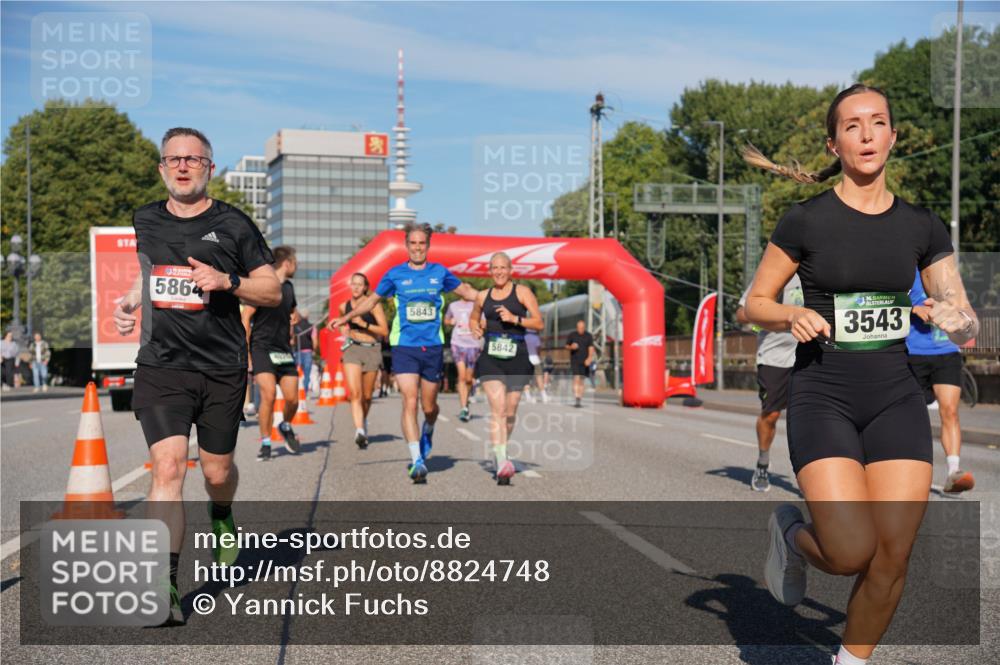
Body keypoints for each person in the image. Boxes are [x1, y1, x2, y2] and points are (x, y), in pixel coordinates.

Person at [742, 84, 979, 665]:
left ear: (893, 136)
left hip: (895, 395)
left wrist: (955, 317)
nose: (867, 134)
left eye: (878, 123)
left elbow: (964, 316)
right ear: (835, 142)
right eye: (853, 125)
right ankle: (789, 531)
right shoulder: (806, 220)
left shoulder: (923, 226)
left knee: (892, 556)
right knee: (850, 550)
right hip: (824, 394)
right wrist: (793, 312)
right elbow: (754, 303)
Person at [113, 127, 281, 626]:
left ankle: (223, 512)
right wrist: (130, 299)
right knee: (166, 470)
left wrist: (227, 281)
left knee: (215, 473)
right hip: (161, 365)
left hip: (222, 367)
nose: (183, 166)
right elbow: (151, 272)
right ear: (162, 168)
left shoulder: (234, 224)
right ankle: (164, 586)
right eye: (174, 159)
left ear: (209, 168)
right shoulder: (144, 218)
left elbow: (271, 290)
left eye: (194, 159)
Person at [329, 222, 478, 483]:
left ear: (428, 246)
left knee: (428, 406)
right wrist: (347, 317)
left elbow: (466, 291)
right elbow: (371, 301)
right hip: (404, 346)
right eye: (413, 243)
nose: (418, 247)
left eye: (422, 243)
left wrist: (494, 297)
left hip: (431, 346)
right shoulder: (394, 275)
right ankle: (416, 459)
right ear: (407, 246)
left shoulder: (439, 273)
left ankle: (429, 428)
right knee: (409, 400)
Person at [469, 252, 544, 485]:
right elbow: (474, 318)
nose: (499, 272)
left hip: (517, 356)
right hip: (491, 356)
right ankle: (501, 460)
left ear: (510, 270)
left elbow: (539, 323)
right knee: (498, 408)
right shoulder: (482, 296)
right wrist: (475, 328)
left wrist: (515, 319)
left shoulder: (522, 293)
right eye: (494, 268)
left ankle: (502, 448)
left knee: (510, 412)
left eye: (503, 267)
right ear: (490, 271)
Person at [906, 268, 974, 493]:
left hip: (946, 351)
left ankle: (953, 471)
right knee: (912, 416)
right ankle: (911, 472)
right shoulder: (904, 265)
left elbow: (963, 309)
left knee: (950, 411)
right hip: (912, 352)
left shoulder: (947, 273)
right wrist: (912, 308)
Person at [736, 274, 803, 492]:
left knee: (810, 417)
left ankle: (810, 476)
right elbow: (741, 313)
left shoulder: (819, 269)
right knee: (771, 414)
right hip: (774, 357)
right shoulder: (774, 273)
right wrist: (777, 313)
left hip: (808, 354)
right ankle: (763, 463)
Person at [242, 245, 301, 462]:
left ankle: (285, 425)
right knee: (268, 395)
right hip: (261, 347)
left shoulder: (289, 288)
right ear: (287, 263)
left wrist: (294, 318)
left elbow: (292, 310)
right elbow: (246, 317)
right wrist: (246, 351)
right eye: (295, 262)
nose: (297, 266)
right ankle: (266, 443)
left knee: (293, 399)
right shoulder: (262, 287)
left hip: (283, 350)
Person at [338, 273, 389, 448]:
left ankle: (363, 421)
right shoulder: (343, 306)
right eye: (354, 284)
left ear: (366, 287)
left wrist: (363, 324)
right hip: (352, 349)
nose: (356, 287)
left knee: (367, 396)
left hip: (371, 349)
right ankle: (359, 430)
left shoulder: (373, 305)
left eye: (360, 285)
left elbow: (384, 331)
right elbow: (342, 324)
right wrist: (343, 331)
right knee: (355, 394)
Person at [444, 296, 482, 421]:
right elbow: (446, 320)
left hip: (473, 344)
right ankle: (464, 408)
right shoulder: (453, 305)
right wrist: (450, 322)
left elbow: (483, 322)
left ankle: (468, 395)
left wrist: (480, 328)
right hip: (457, 343)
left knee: (468, 379)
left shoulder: (476, 305)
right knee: (461, 376)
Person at [565, 320, 594, 408]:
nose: (580, 329)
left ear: (584, 327)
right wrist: (571, 347)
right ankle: (576, 397)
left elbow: (591, 348)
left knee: (582, 381)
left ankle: (579, 398)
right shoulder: (572, 335)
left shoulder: (588, 336)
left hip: (584, 362)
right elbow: (566, 346)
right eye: (578, 328)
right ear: (576, 327)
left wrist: (589, 358)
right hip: (575, 361)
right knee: (576, 378)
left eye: (581, 328)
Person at [294, 307, 318, 397]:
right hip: (308, 351)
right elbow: (314, 340)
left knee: (297, 372)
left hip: (297, 351)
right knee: (307, 372)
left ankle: (296, 391)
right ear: (308, 316)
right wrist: (314, 350)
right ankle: (304, 392)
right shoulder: (312, 327)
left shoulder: (295, 326)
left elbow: (291, 340)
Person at [522, 329, 543, 403]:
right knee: (539, 376)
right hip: (535, 358)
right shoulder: (536, 338)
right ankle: (543, 395)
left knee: (526, 378)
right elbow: (538, 349)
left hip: (526, 358)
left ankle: (528, 396)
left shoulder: (524, 337)